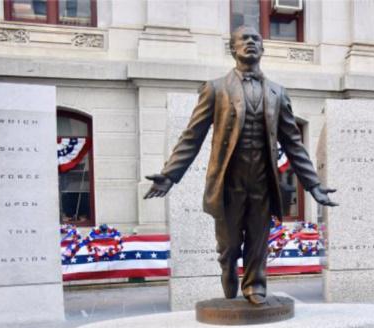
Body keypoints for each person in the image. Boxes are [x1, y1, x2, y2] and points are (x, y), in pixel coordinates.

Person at [144, 25, 337, 306]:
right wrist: (169, 175)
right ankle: (228, 267)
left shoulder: (278, 93)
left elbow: (293, 143)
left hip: (262, 179)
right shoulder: (215, 89)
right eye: (243, 39)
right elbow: (192, 136)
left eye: (255, 39)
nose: (250, 42)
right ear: (232, 48)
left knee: (258, 237)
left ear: (263, 48)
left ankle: (255, 286)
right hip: (228, 181)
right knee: (230, 244)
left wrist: (314, 185)